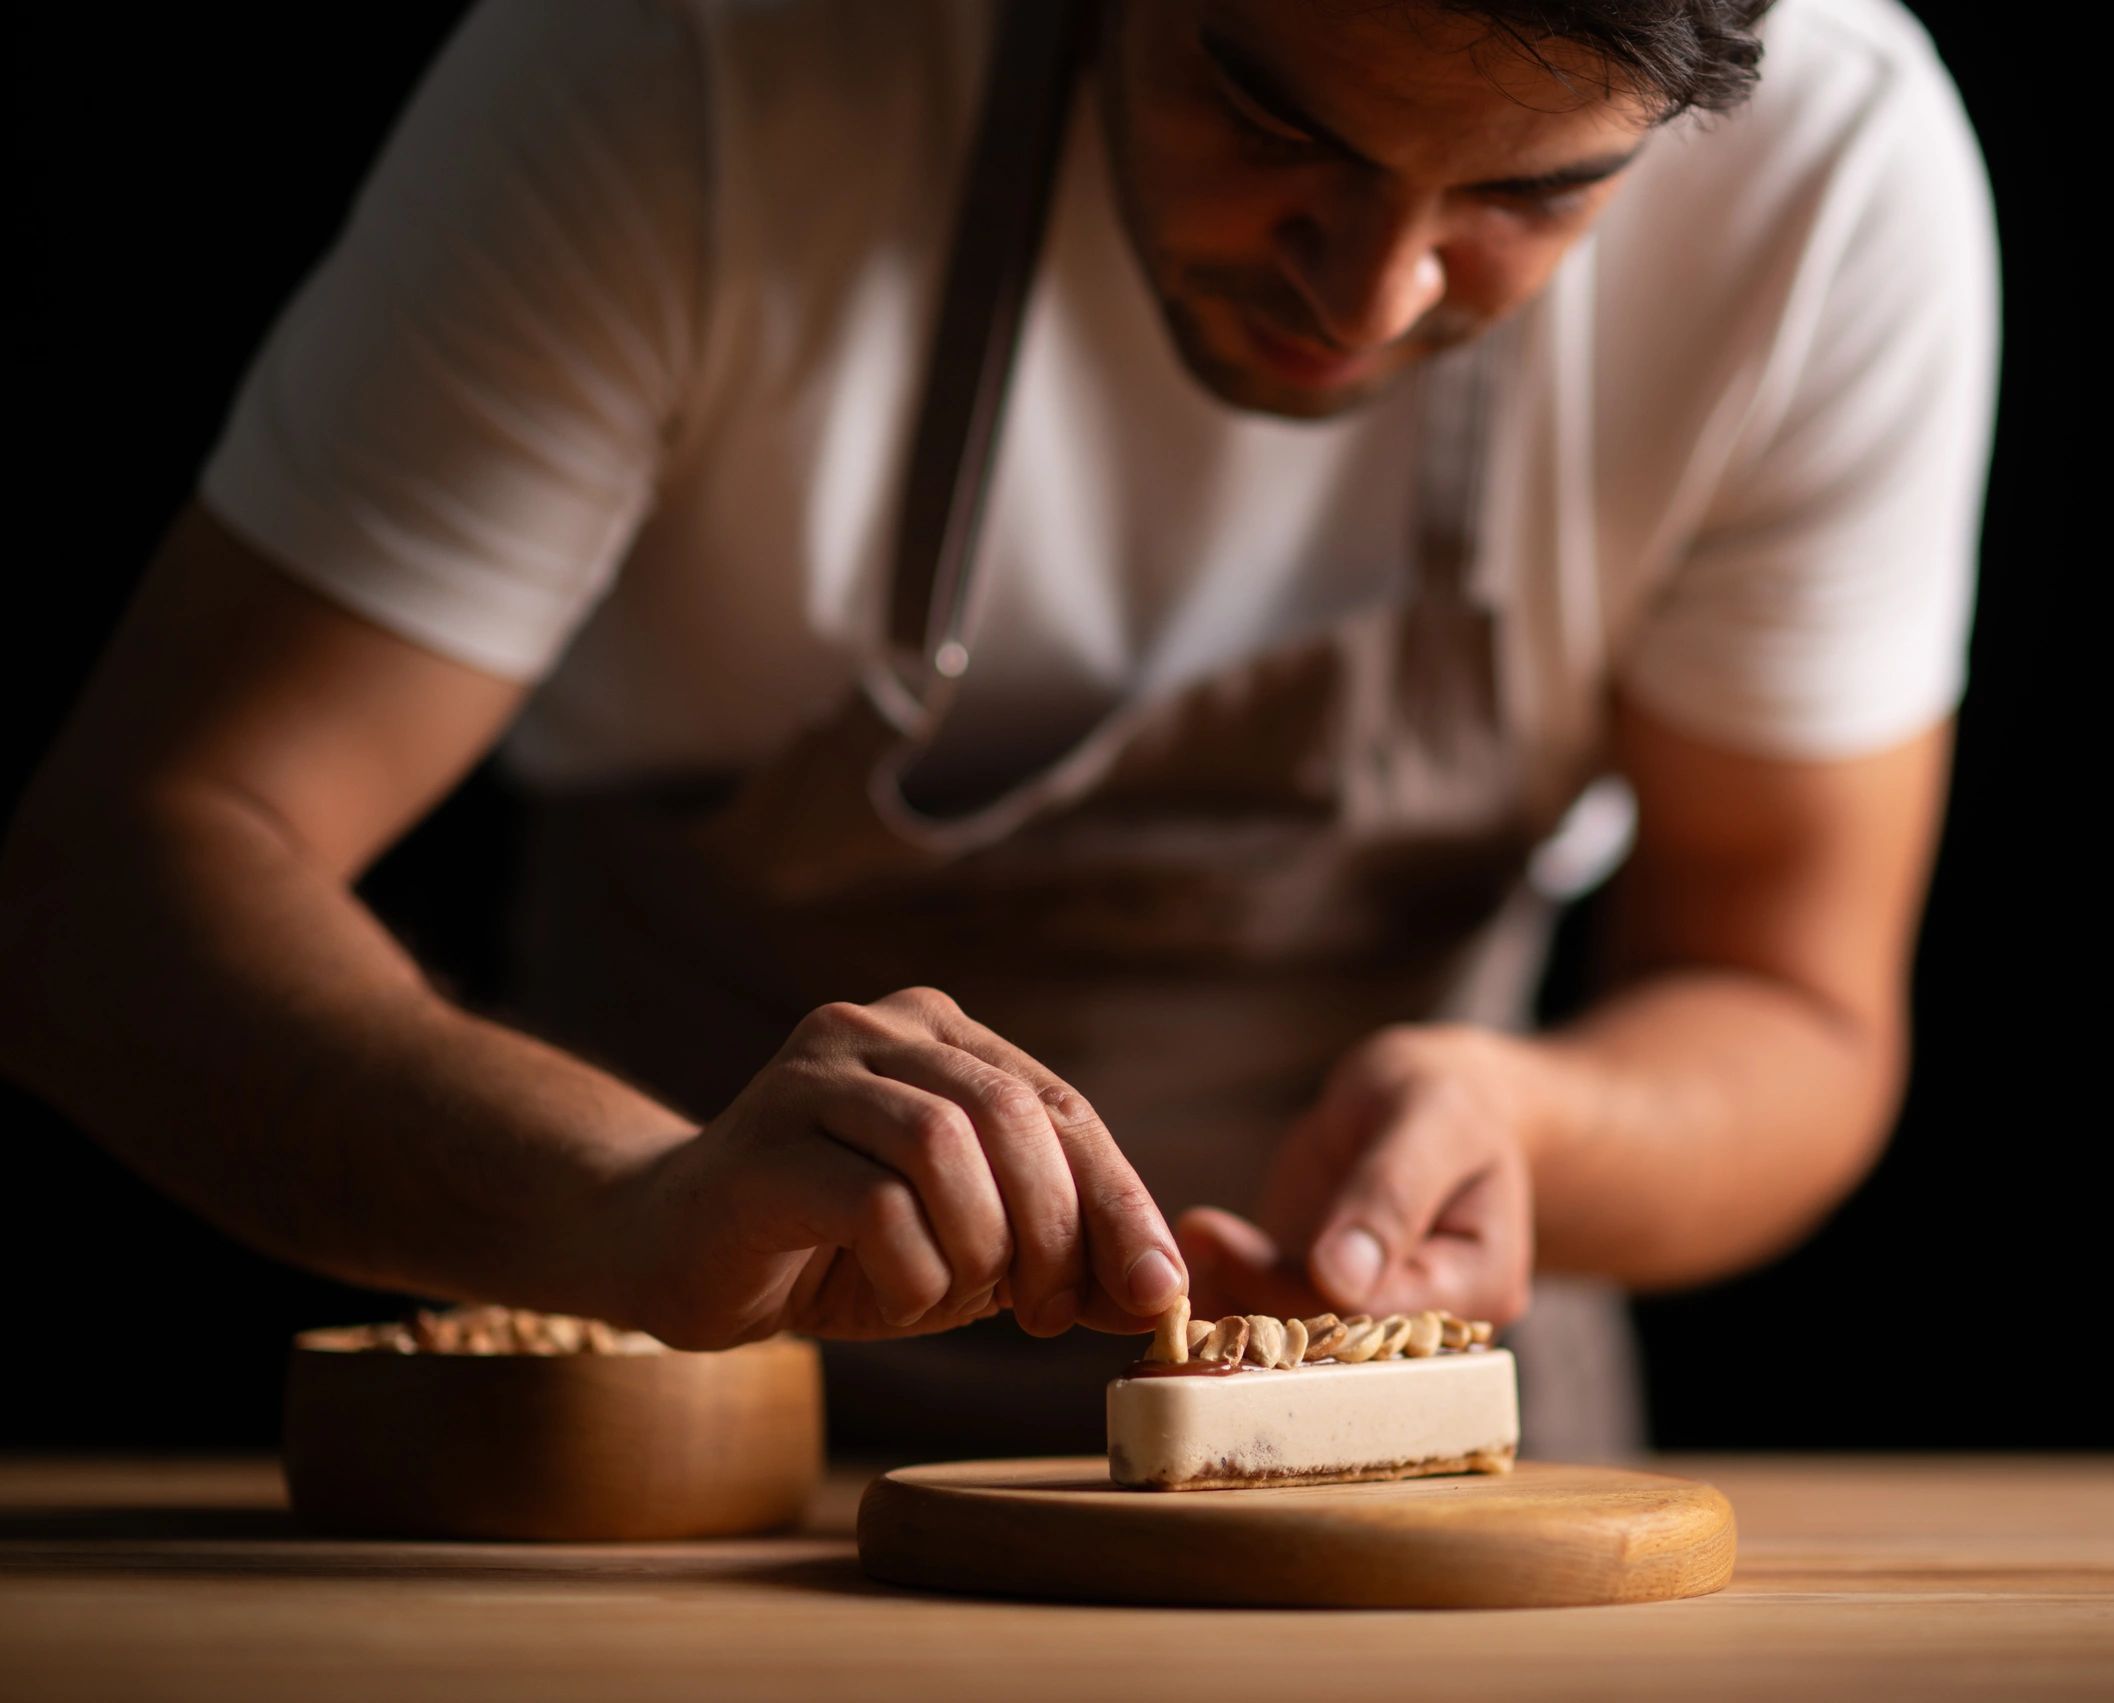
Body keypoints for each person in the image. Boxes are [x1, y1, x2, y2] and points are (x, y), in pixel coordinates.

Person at [0, 0, 1994, 1455]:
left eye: (1530, 199)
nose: (1374, 292)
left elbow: (1790, 1004)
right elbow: (119, 886)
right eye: (1265, 117)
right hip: (682, 1471)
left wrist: (1533, 1121)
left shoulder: (1826, 180)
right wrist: (628, 1212)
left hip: (1406, 1497)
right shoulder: (681, 67)